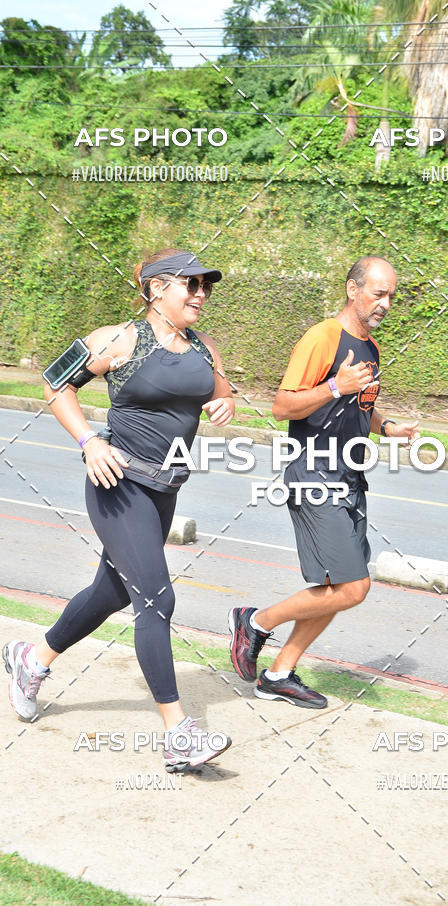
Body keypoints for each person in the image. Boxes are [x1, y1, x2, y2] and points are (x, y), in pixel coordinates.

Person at [3, 248, 235, 771]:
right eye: (190, 284)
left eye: (206, 286)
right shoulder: (118, 339)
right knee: (156, 600)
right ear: (155, 288)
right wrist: (89, 441)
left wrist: (226, 403)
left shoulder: (204, 348)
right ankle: (178, 733)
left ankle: (31, 659)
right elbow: (54, 380)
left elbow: (221, 391)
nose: (201, 294)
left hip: (166, 488)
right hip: (117, 482)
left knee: (111, 591)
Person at [228, 255, 420, 708]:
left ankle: (278, 674)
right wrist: (336, 386)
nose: (386, 303)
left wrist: (387, 427)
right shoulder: (323, 337)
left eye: (391, 295)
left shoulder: (369, 347)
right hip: (313, 473)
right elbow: (282, 406)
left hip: (349, 475)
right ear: (353, 290)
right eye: (378, 293)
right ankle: (254, 622)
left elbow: (359, 407)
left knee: (334, 588)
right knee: (354, 588)